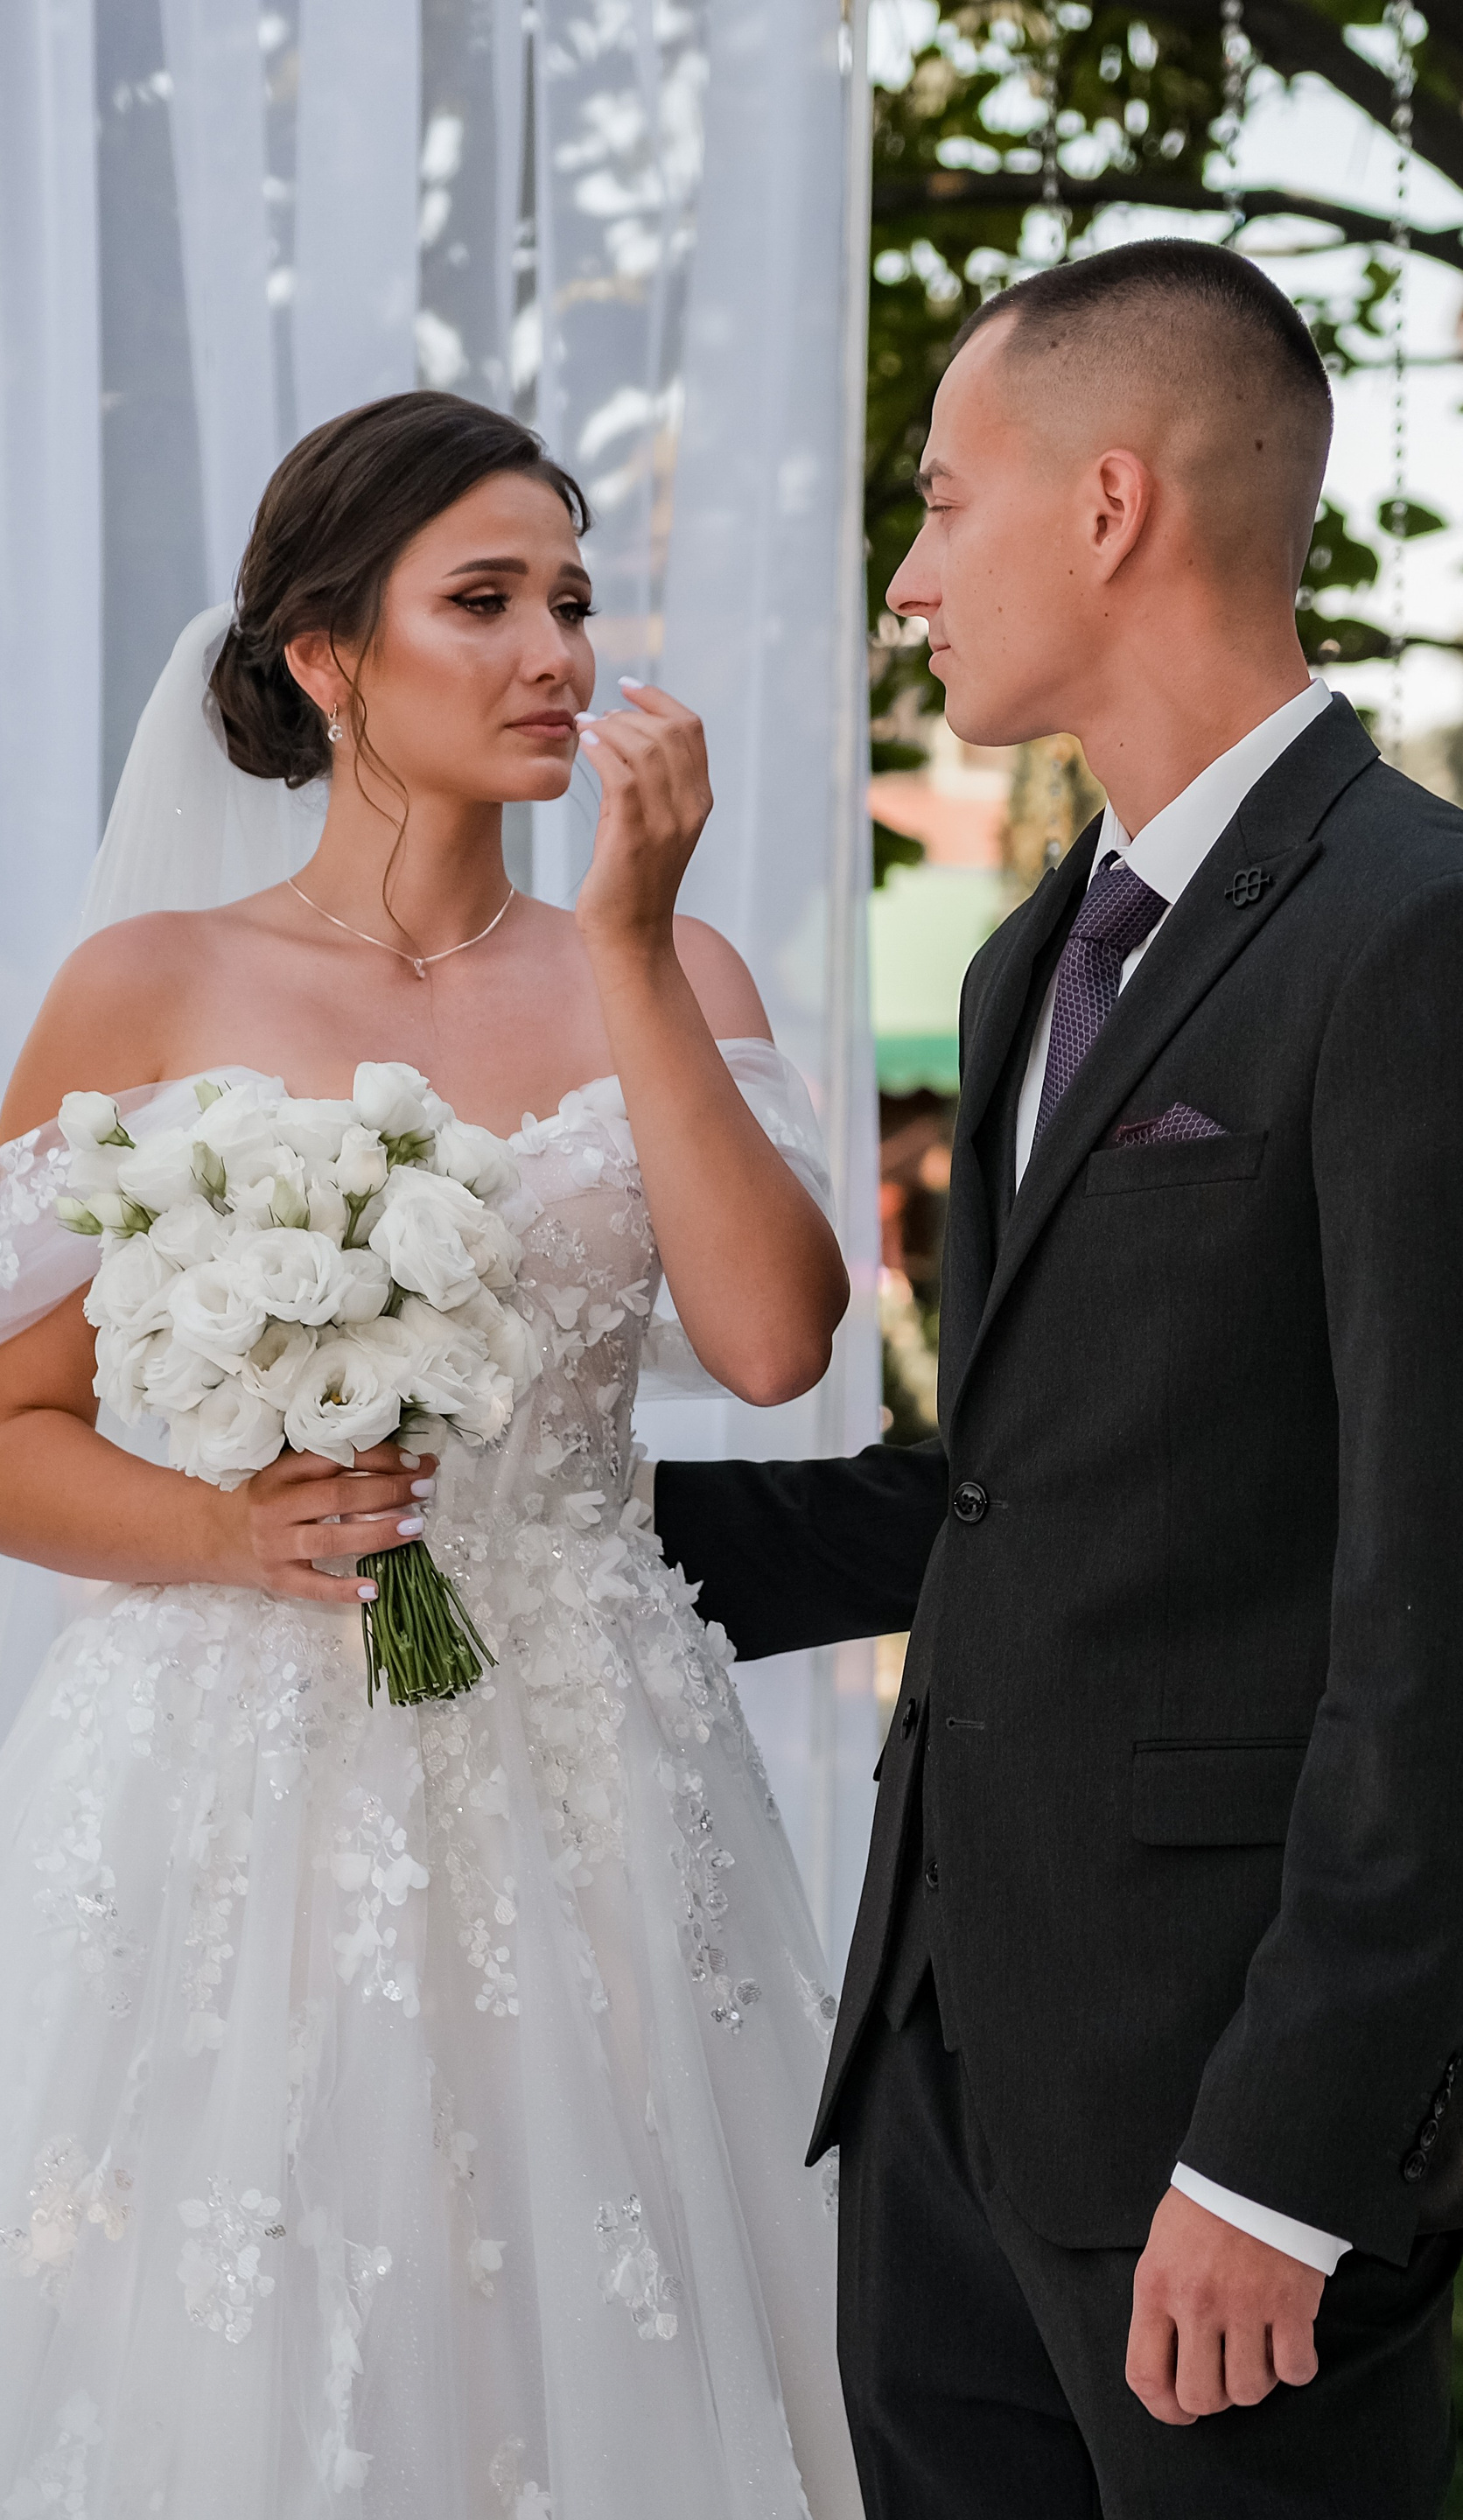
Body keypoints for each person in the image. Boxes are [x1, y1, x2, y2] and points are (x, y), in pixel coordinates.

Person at [0, 391, 864, 2517]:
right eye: (487, 602)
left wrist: (631, 943)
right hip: (238, 1774)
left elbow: (771, 1344)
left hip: (594, 1765)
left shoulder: (667, 966)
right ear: (326, 656)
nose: (556, 655)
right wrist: (224, 1526)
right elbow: (5, 1448)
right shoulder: (149, 986)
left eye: (573, 603)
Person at [653, 239, 1463, 2516]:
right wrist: (533, 1528)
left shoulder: (1416, 933)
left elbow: (1434, 1601)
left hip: (1228, 2130)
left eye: (940, 501)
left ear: (1112, 506)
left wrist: (1292, 2152)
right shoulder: (1032, 960)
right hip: (939, 2088)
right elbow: (1017, 1486)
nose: (910, 580)